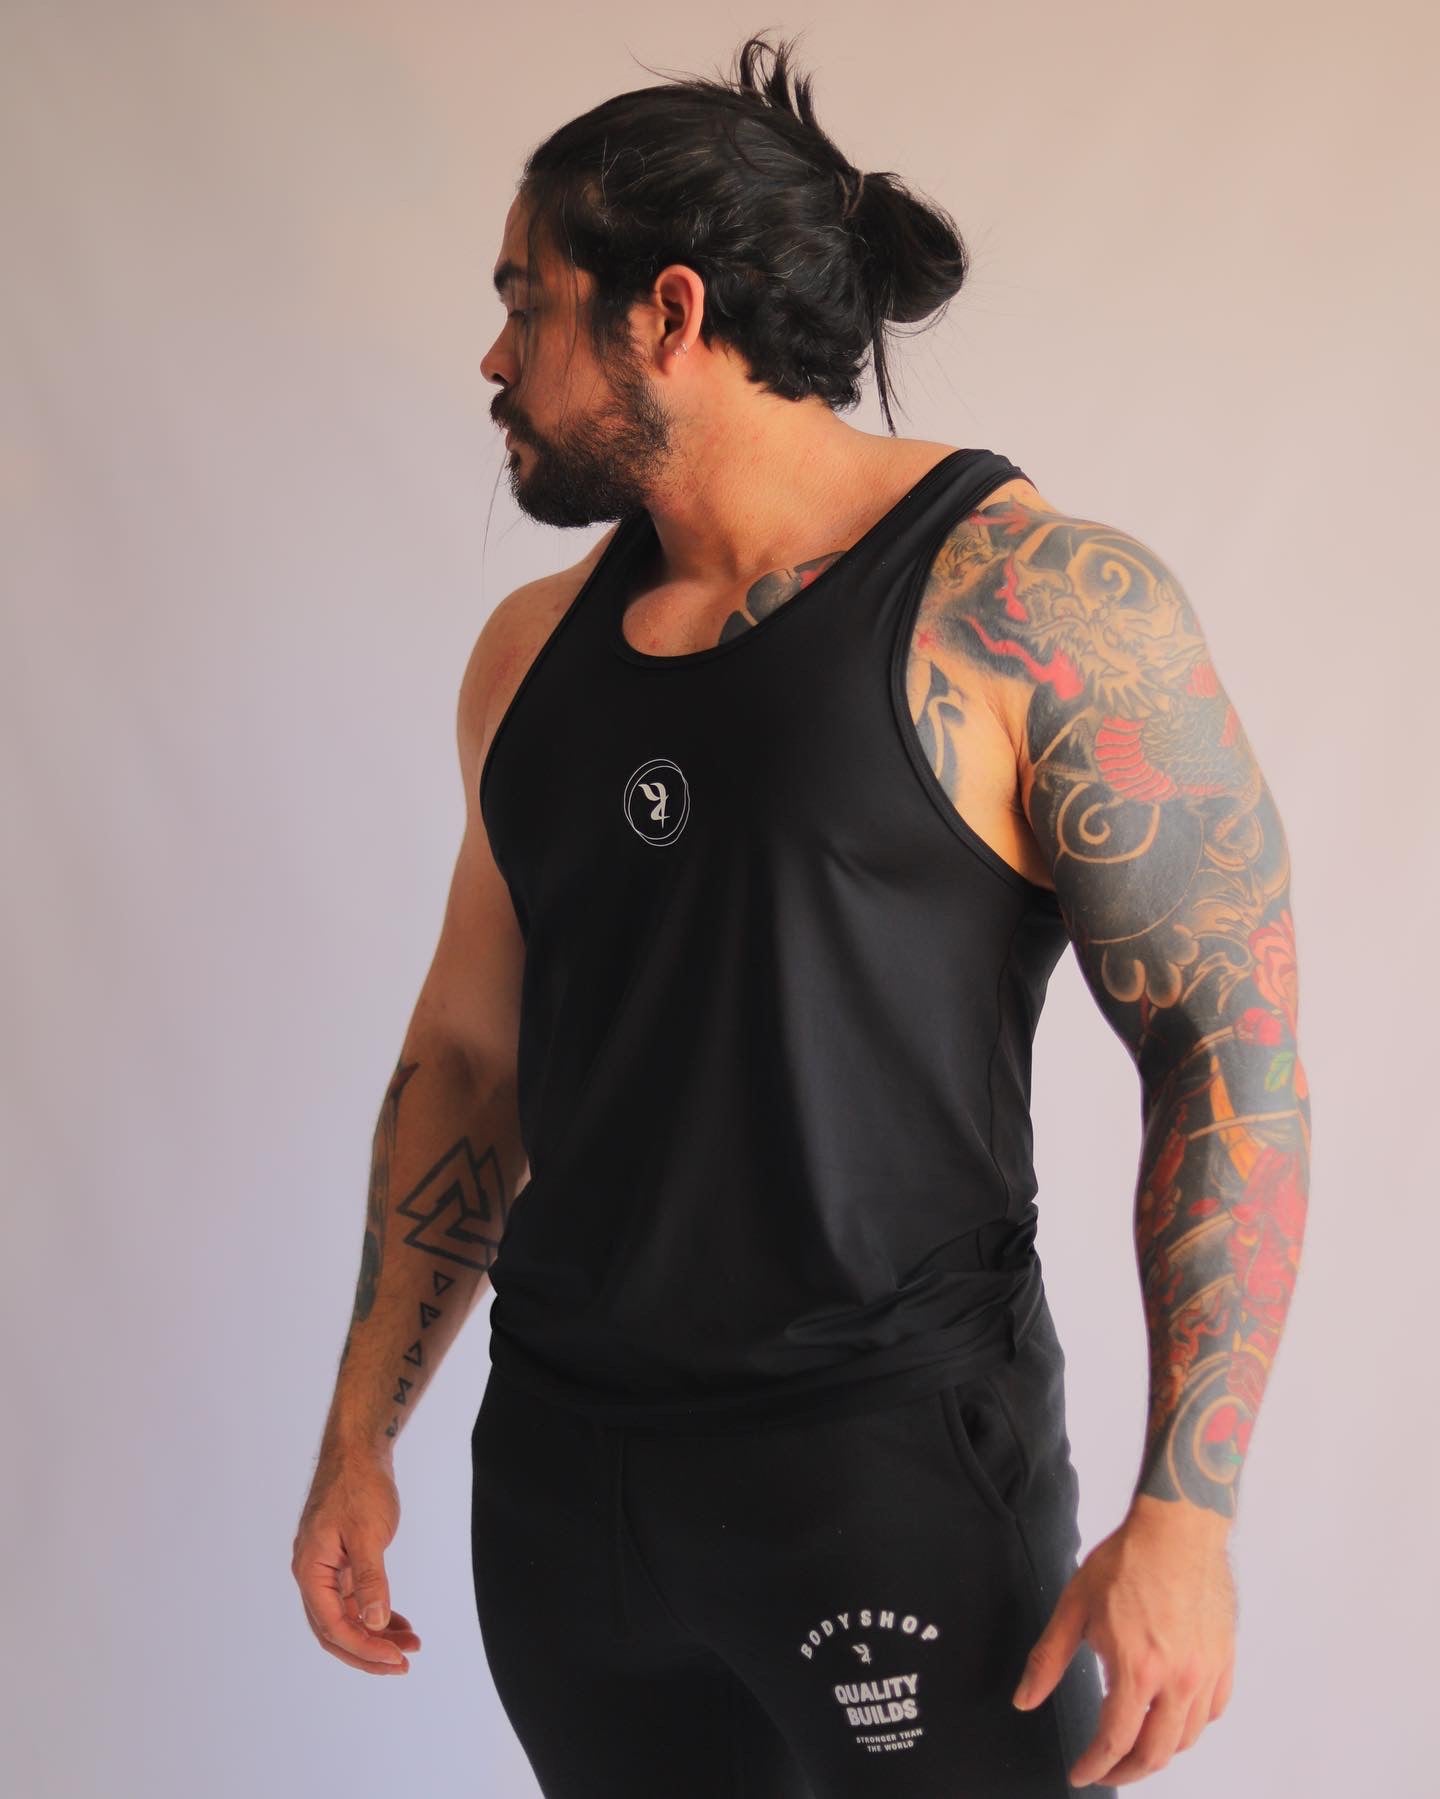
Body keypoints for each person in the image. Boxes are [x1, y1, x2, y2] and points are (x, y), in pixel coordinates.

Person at [292, 31, 1310, 1798]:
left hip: (887, 1478)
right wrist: (359, 1435)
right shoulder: (528, 656)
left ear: (667, 313)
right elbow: (468, 1055)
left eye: (525, 302)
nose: (494, 356)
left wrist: (1187, 1511)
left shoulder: (1031, 605)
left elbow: (1231, 1050)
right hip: (567, 1494)